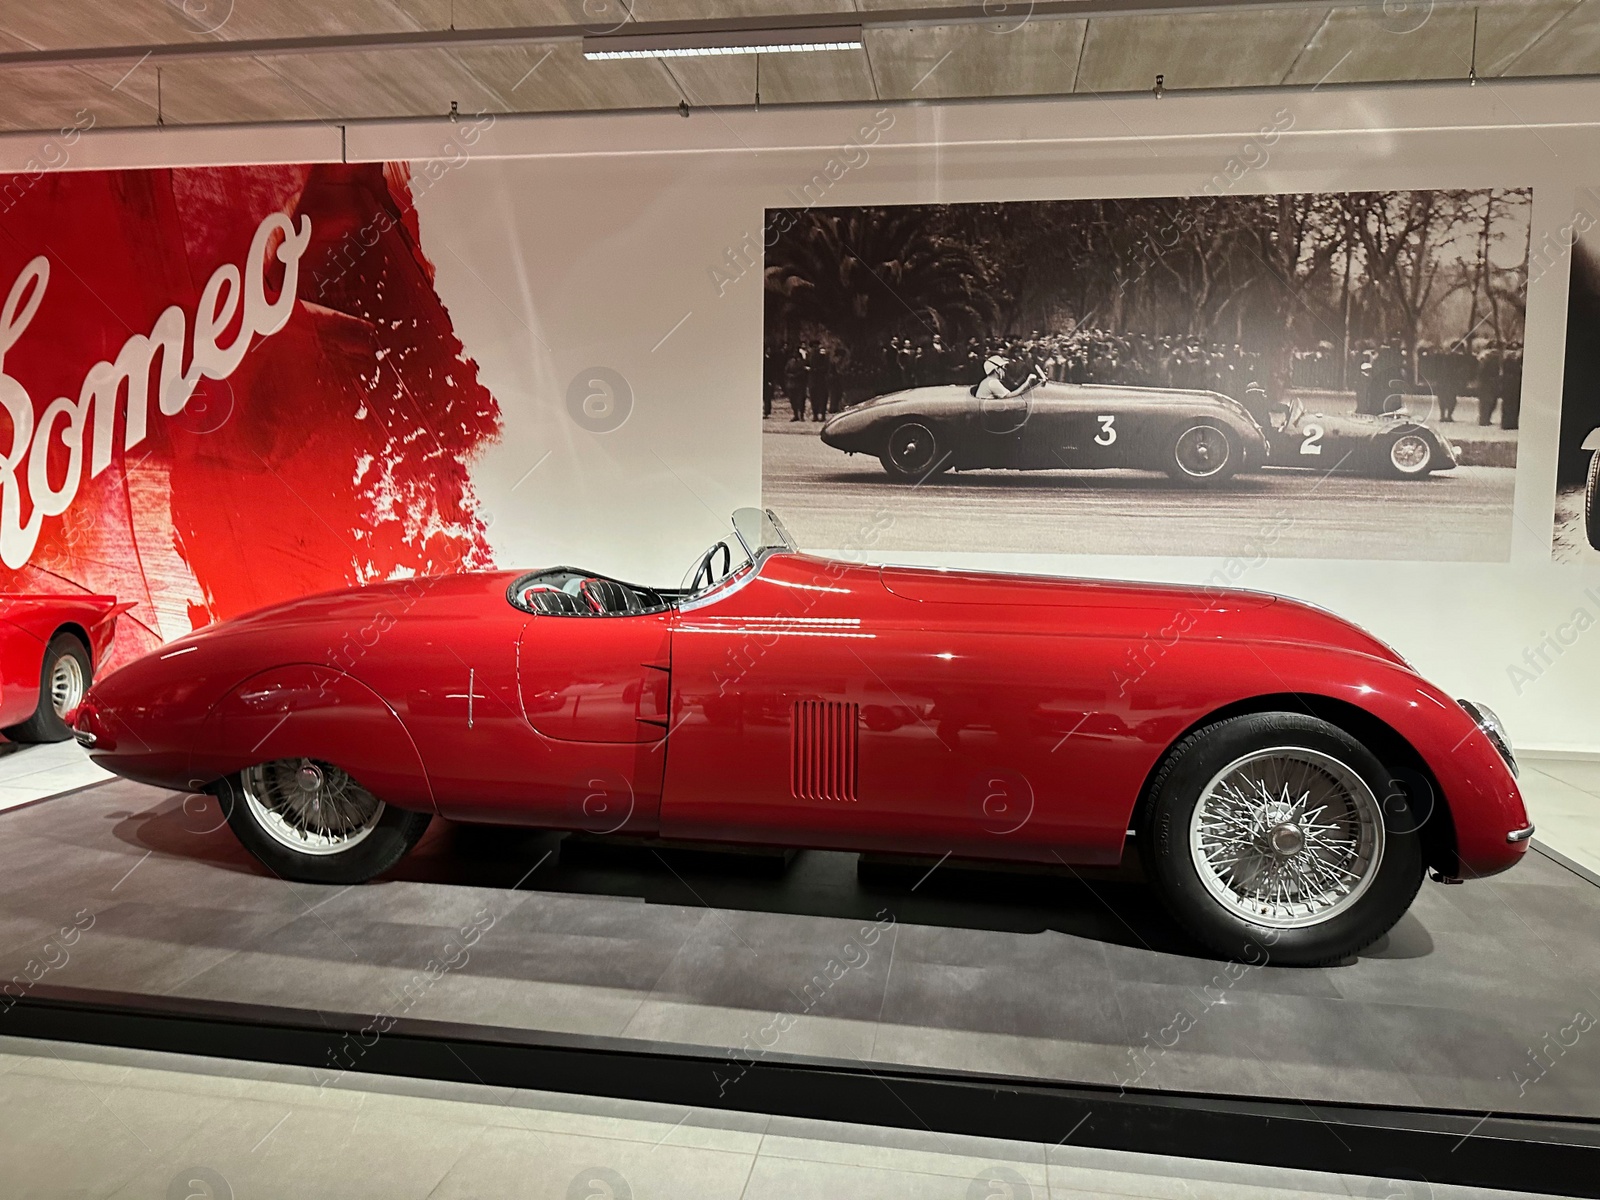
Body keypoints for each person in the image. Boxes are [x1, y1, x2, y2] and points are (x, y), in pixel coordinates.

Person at [974, 354, 1038, 401]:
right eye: (1004, 367)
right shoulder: (992, 382)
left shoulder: (988, 380)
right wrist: (1028, 382)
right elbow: (1010, 396)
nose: (1005, 370)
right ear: (997, 369)